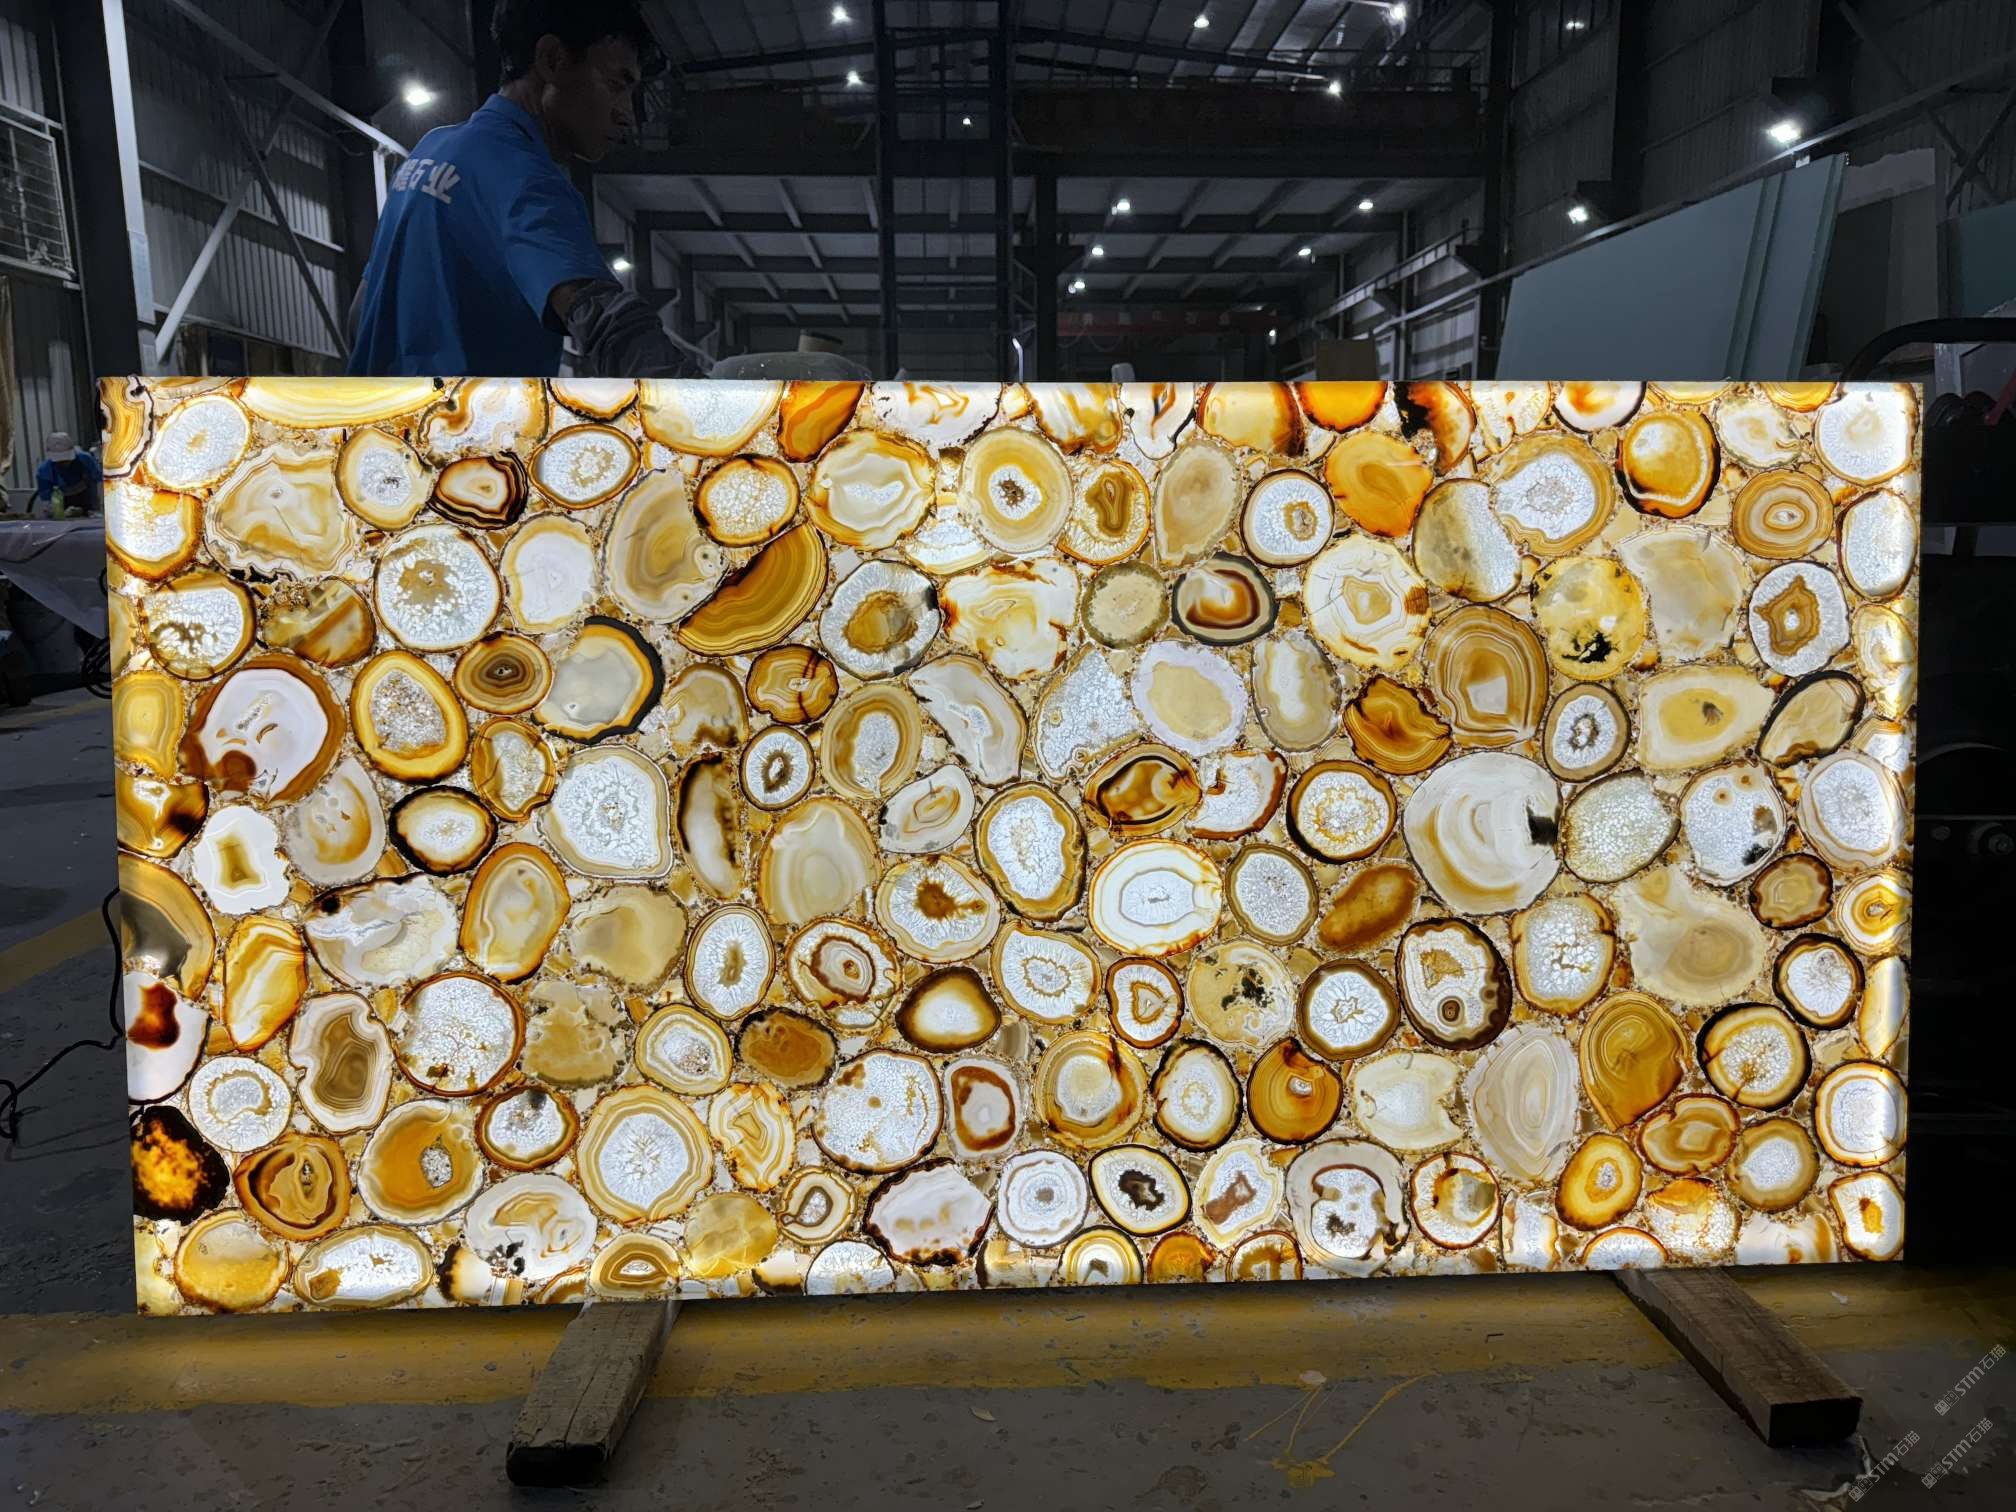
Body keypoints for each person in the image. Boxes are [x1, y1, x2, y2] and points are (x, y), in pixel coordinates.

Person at [346, 0, 694, 378]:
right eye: (616, 85)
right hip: (463, 416)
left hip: (372, 413)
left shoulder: (429, 151)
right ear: (552, 60)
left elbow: (361, 314)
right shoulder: (527, 177)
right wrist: (706, 402)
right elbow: (604, 320)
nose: (627, 114)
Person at [30, 433, 101, 519]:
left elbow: (100, 482)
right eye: (60, 461)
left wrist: (98, 509)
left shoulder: (86, 460)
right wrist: (59, 513)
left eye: (66, 460)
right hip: (62, 512)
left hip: (90, 507)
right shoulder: (44, 472)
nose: (64, 463)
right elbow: (47, 502)